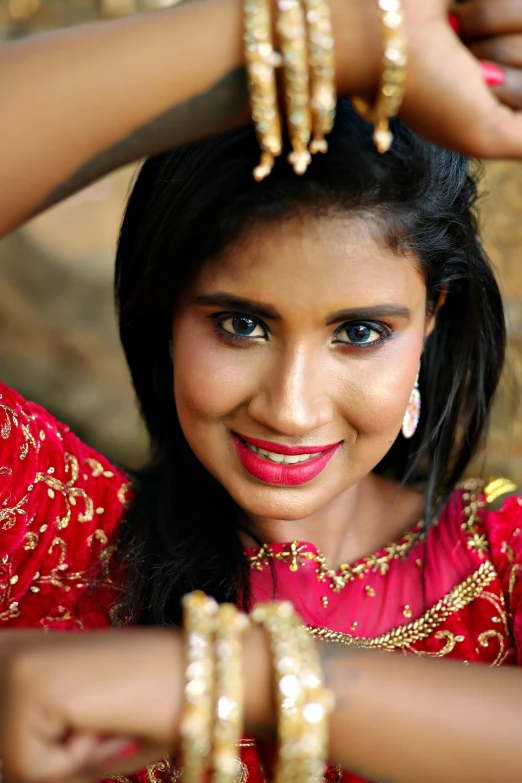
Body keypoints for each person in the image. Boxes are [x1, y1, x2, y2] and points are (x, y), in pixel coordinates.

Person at [3, 1, 522, 783]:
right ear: (166, 314)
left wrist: (244, 678)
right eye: (242, 324)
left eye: (359, 333)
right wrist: (333, 32)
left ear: (431, 322)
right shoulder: (45, 526)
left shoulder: (505, 571)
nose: (291, 406)